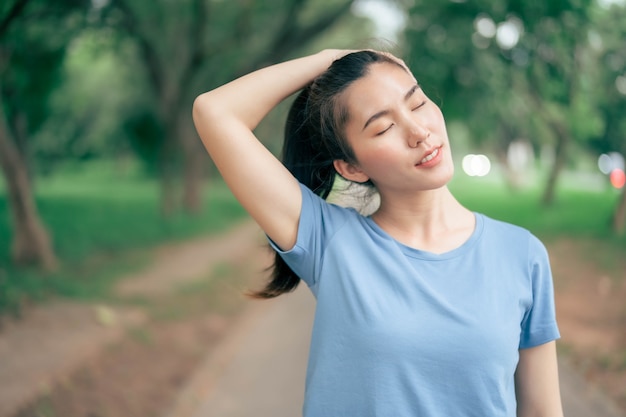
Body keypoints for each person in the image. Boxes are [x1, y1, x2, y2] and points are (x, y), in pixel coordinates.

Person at [192, 49, 563, 417]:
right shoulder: (331, 242)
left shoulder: (521, 254)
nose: (419, 132)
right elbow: (215, 112)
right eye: (384, 127)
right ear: (351, 167)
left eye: (417, 104)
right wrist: (332, 58)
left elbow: (543, 411)